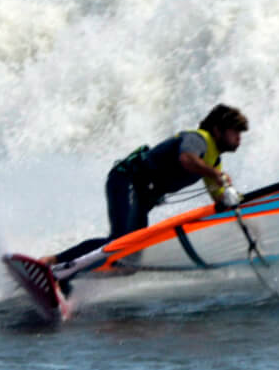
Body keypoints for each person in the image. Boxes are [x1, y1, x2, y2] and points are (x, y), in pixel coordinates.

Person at [53, 104, 250, 277]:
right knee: (119, 241)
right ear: (217, 130)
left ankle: (70, 277)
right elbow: (186, 159)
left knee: (129, 263)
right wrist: (214, 173)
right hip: (126, 180)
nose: (239, 139)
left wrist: (234, 202)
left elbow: (219, 199)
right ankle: (52, 263)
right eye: (235, 132)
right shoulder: (199, 138)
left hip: (140, 195)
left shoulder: (213, 160)